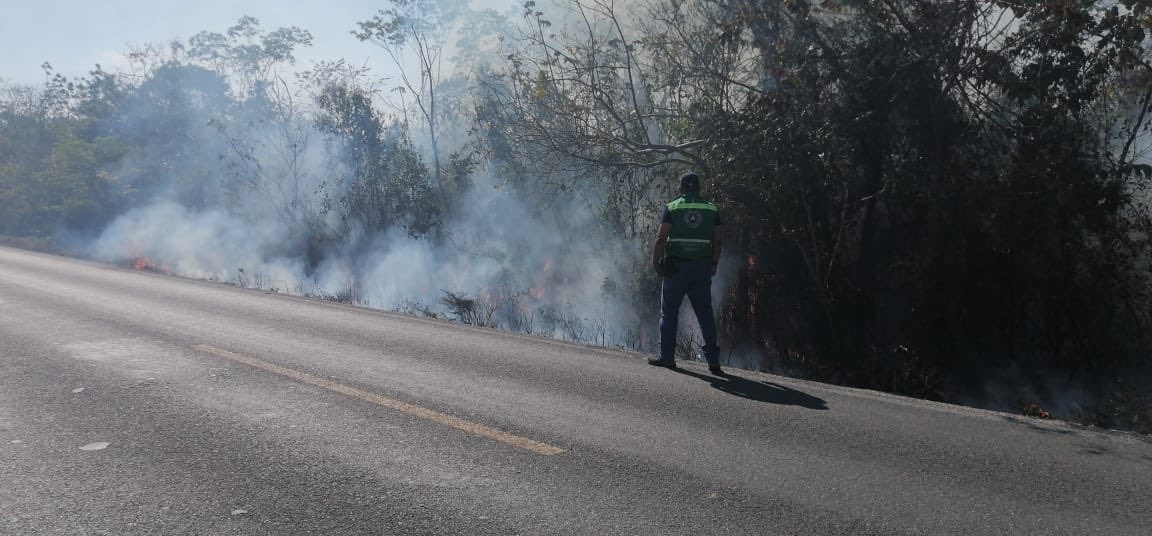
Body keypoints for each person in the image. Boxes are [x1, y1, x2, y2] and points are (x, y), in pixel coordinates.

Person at [648, 172, 723, 375]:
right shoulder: (711, 208)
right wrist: (714, 262)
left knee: (670, 312)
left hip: (676, 268)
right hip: (702, 268)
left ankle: (667, 358)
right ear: (698, 188)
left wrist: (656, 263)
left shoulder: (672, 207)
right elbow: (717, 240)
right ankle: (713, 362)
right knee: (705, 313)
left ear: (681, 188)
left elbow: (661, 238)